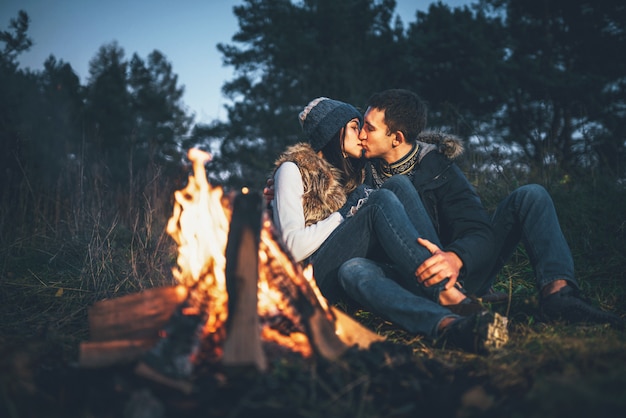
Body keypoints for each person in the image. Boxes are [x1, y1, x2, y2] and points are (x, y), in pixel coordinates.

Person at [341, 88, 623, 329]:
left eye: (369, 127)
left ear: (397, 138)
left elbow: (478, 230)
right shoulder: (360, 170)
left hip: (458, 270)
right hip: (406, 272)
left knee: (531, 195)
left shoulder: (439, 167)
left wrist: (456, 257)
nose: (361, 134)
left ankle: (560, 296)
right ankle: (451, 312)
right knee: (356, 268)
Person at [271, 97, 509, 353]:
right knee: (380, 197)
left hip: (341, 268)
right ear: (333, 133)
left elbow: (396, 147)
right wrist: (344, 212)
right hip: (307, 278)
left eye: (364, 126)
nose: (362, 134)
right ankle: (449, 294)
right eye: (354, 127)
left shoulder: (355, 171)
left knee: (358, 259)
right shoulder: (292, 171)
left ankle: (450, 324)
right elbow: (292, 248)